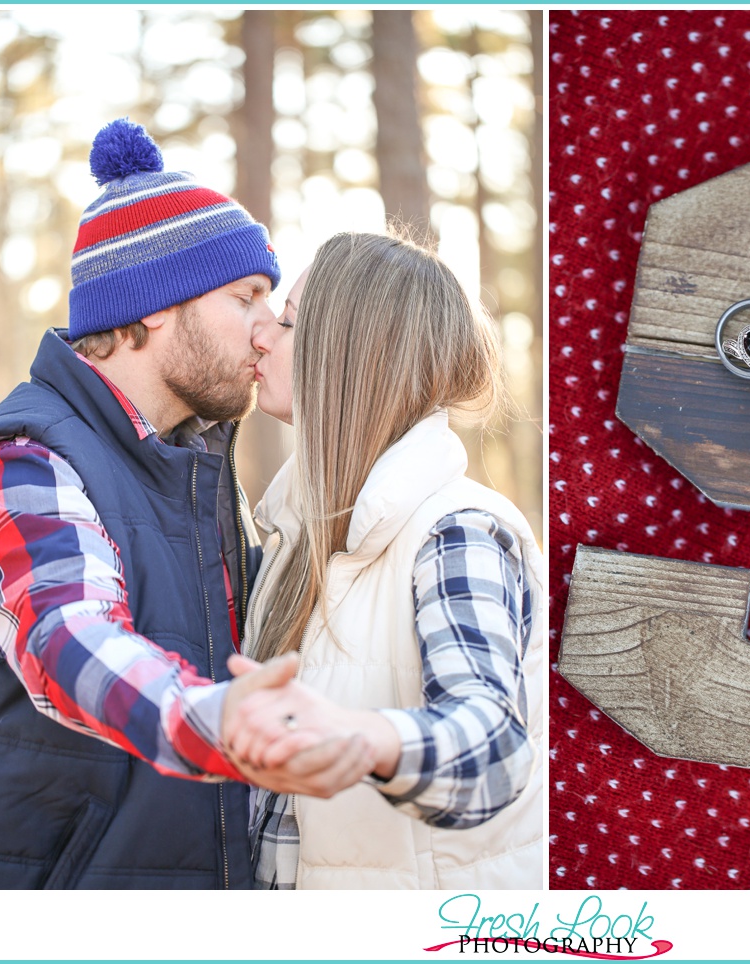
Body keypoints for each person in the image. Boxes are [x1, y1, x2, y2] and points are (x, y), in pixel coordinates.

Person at [0, 119, 370, 890]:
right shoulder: (25, 459)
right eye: (246, 296)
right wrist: (217, 721)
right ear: (151, 309)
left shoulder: (200, 466)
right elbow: (66, 638)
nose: (267, 329)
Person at [224, 232, 545, 889]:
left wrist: (364, 739)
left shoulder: (458, 533)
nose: (262, 337)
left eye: (287, 322)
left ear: (348, 354)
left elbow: (490, 749)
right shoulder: (295, 538)